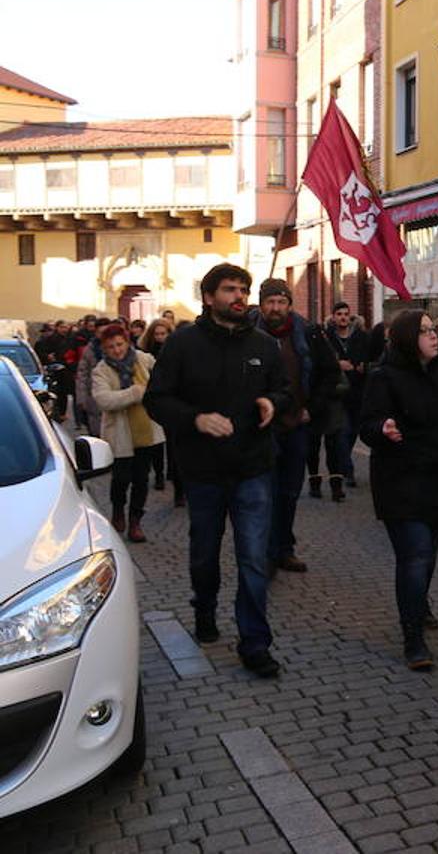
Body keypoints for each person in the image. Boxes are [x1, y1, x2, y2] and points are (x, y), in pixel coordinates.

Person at [144, 263, 291, 678]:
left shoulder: (264, 344)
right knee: (205, 554)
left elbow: (283, 389)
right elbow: (157, 400)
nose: (239, 296)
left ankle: (255, 643)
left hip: (253, 468)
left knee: (254, 558)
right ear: (209, 297)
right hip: (204, 472)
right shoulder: (182, 345)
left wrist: (273, 403)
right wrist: (195, 419)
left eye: (243, 289)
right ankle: (204, 608)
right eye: (230, 289)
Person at [359, 309, 438, 670]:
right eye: (424, 331)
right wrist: (382, 428)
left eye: (434, 329)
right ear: (406, 338)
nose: (434, 336)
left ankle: (420, 604)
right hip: (400, 479)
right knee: (415, 554)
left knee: (429, 552)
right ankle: (413, 637)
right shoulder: (383, 377)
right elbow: (367, 425)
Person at [257, 278, 339, 573]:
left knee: (289, 492)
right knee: (264, 493)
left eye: (281, 302)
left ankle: (284, 548)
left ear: (290, 305)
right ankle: (264, 553)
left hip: (296, 426)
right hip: (261, 429)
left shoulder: (309, 334)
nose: (276, 308)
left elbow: (330, 374)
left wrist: (311, 408)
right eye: (270, 302)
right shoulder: (248, 335)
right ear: (261, 304)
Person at [91, 324, 164, 544]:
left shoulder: (144, 360)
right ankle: (117, 512)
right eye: (111, 346)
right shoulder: (101, 370)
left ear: (127, 342)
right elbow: (104, 400)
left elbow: (162, 380)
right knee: (121, 479)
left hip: (146, 429)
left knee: (142, 480)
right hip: (120, 433)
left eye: (120, 344)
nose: (117, 350)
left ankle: (135, 521)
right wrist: (135, 393)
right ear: (104, 348)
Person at [309, 300, 368, 499]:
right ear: (333, 317)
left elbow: (370, 358)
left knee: (350, 433)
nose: (343, 317)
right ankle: (340, 476)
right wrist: (337, 364)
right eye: (339, 314)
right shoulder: (325, 337)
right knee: (335, 437)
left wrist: (363, 367)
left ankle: (342, 469)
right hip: (331, 394)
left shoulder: (360, 337)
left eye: (346, 314)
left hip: (354, 392)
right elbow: (317, 360)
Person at [140, 318, 176, 494]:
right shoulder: (145, 354)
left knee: (170, 440)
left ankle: (172, 472)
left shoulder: (176, 350)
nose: (160, 337)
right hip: (153, 399)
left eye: (164, 333)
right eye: (157, 334)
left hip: (171, 400)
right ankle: (159, 474)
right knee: (156, 443)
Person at [74, 317, 111, 436]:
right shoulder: (89, 350)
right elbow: (82, 373)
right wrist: (81, 398)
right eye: (101, 333)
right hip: (94, 398)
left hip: (115, 396)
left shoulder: (118, 347)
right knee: (97, 434)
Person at [36, 319, 75, 419]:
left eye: (66, 327)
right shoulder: (49, 340)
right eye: (62, 327)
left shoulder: (70, 339)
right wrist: (48, 357)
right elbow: (41, 353)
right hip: (53, 369)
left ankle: (62, 413)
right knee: (55, 392)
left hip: (66, 369)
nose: (64, 329)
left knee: (64, 393)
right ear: (57, 328)